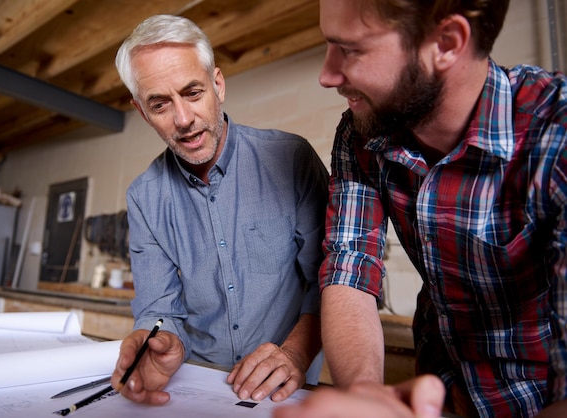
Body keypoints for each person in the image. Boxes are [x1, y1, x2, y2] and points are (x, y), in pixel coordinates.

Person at [275, 0, 567, 417]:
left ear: (446, 43)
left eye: (351, 50)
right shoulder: (362, 133)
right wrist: (365, 398)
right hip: (438, 393)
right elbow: (348, 269)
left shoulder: (556, 134)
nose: (327, 75)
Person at [111, 14, 329, 406]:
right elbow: (159, 308)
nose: (183, 119)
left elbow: (329, 277)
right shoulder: (145, 197)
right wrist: (158, 338)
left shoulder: (291, 158)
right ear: (142, 113)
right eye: (160, 104)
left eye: (192, 93)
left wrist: (295, 354)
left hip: (283, 387)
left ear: (218, 85)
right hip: (199, 385)